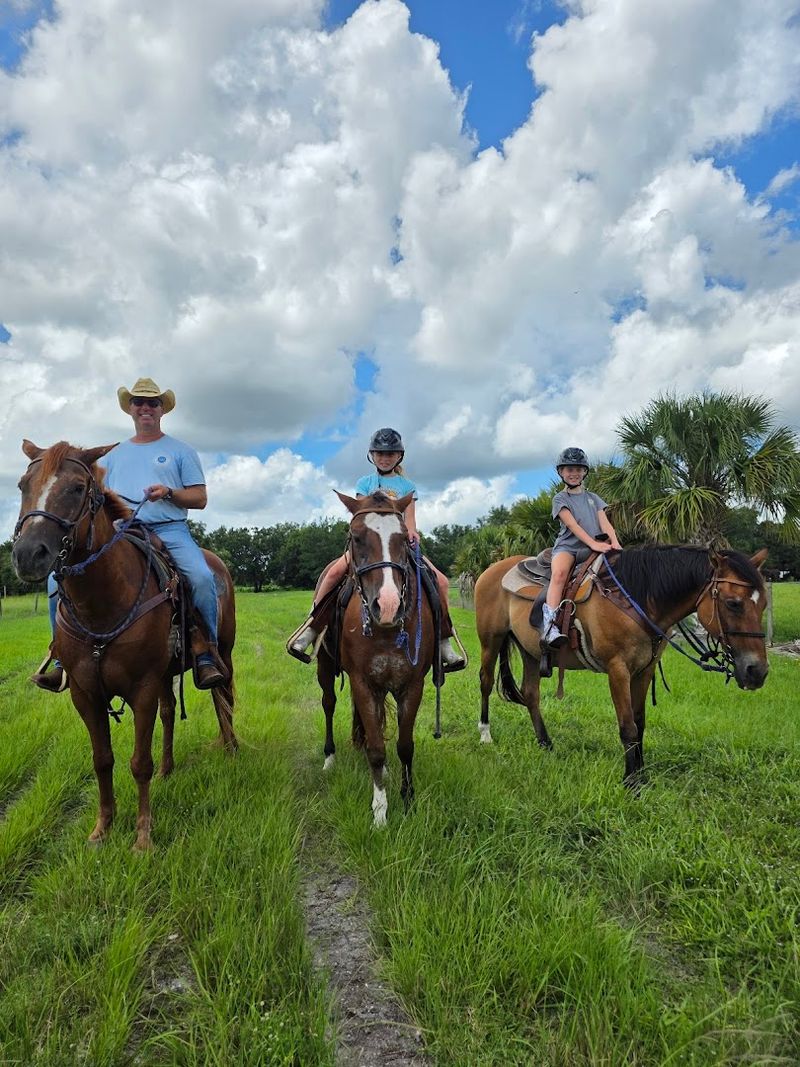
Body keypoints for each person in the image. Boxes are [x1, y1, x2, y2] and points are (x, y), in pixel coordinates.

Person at [32, 377, 225, 691]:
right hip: (122, 530)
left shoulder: (181, 451)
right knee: (55, 579)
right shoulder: (112, 457)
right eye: (139, 402)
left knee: (202, 579)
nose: (145, 407)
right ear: (131, 409)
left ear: (162, 409)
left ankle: (206, 652)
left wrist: (168, 493)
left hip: (169, 529)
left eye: (152, 402)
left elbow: (200, 498)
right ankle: (60, 658)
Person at [288, 427, 466, 669]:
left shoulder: (407, 486)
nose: (385, 458)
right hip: (370, 545)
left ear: (399, 457)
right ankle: (312, 627)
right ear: (372, 455)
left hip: (397, 544)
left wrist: (412, 531)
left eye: (390, 454)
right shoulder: (365, 482)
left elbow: (410, 518)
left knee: (442, 582)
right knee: (333, 573)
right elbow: (361, 512)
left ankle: (444, 641)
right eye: (380, 454)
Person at [541, 447, 622, 648]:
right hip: (569, 547)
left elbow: (605, 524)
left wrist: (616, 543)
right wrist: (594, 543)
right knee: (559, 574)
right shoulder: (560, 499)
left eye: (578, 469)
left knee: (619, 572)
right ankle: (549, 626)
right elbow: (573, 525)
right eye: (569, 469)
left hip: (595, 547)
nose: (574, 473)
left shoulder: (594, 498)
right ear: (561, 472)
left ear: (585, 471)